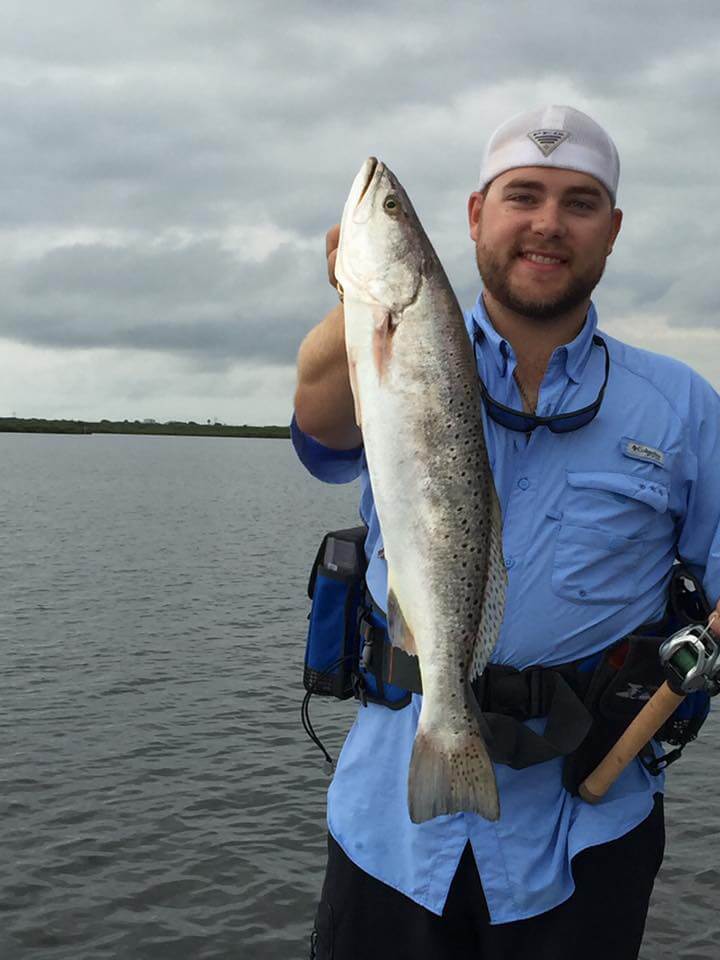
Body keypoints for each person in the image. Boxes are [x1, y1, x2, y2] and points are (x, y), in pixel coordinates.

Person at [291, 105, 720, 960]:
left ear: (614, 230)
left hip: (585, 822)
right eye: (523, 195)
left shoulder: (681, 405)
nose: (548, 224)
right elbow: (320, 422)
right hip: (391, 827)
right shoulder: (382, 346)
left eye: (580, 202)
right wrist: (358, 293)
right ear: (476, 215)